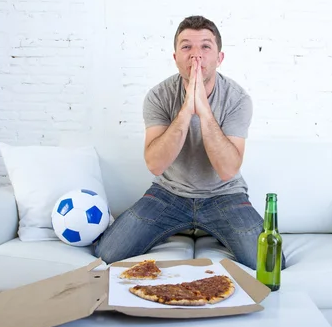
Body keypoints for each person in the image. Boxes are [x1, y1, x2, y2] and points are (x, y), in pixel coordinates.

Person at [94, 15, 285, 270]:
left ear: (220, 58)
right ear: (175, 58)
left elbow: (228, 169)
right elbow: (155, 164)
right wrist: (186, 110)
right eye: (186, 47)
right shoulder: (158, 96)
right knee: (108, 251)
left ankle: (209, 228)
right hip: (169, 194)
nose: (196, 56)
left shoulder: (237, 99)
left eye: (206, 46)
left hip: (223, 195)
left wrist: (204, 110)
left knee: (270, 263)